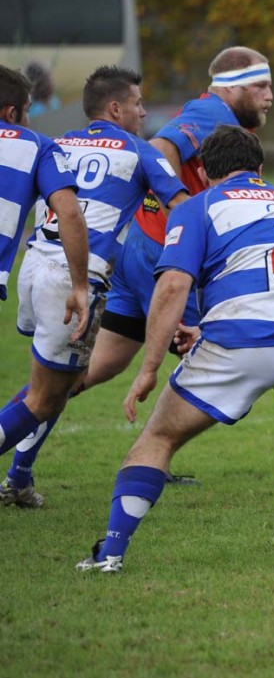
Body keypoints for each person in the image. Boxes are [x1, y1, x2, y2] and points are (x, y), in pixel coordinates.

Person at [76, 126, 274, 573]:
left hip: (240, 343)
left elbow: (172, 286)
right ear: (261, 171)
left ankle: (110, 553)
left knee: (160, 437)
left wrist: (148, 369)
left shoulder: (197, 205)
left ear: (202, 173)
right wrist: (204, 329)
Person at [2, 46, 274, 489]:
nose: (269, 96)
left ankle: (20, 473)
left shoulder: (62, 141)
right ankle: (151, 458)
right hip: (155, 256)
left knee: (80, 373)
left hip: (89, 262)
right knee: (206, 349)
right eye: (261, 86)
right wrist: (184, 219)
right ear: (232, 88)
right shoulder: (210, 112)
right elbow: (162, 148)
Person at [0, 66, 189, 508]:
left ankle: (20, 478)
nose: (144, 113)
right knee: (46, 396)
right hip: (74, 279)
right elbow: (184, 208)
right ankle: (16, 477)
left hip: (33, 268)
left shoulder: (56, 143)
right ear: (116, 108)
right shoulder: (141, 152)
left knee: (55, 385)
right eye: (139, 104)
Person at [0, 65, 90, 487]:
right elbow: (69, 212)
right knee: (45, 396)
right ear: (13, 113)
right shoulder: (38, 146)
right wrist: (79, 285)